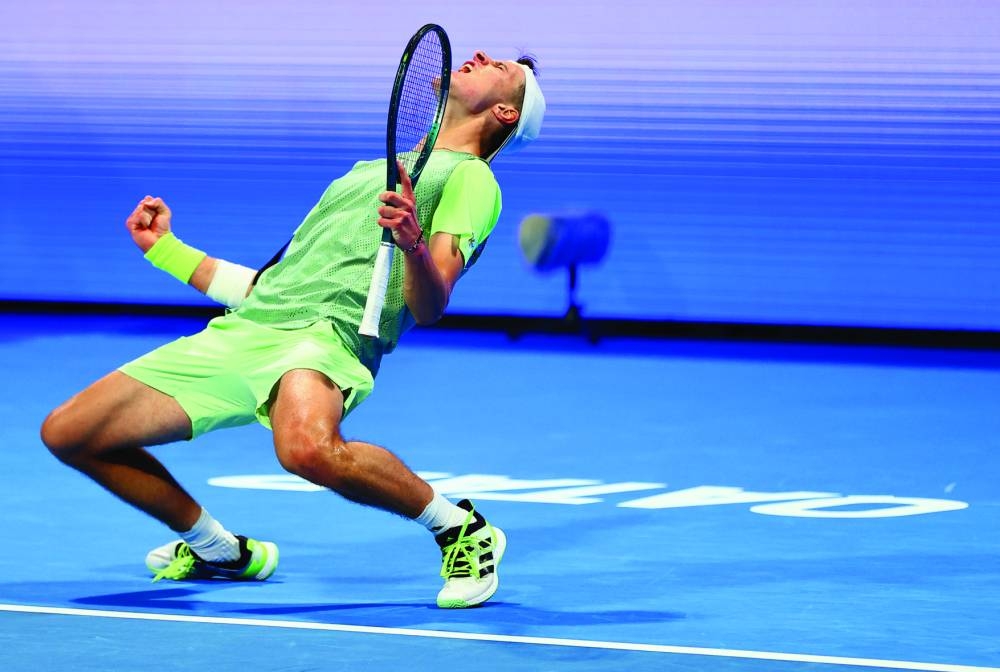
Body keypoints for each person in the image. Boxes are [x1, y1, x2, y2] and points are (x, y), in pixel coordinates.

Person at [40, 49, 546, 609]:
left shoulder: (474, 180)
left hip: (327, 337)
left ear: (504, 112)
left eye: (499, 66)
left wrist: (412, 241)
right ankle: (218, 550)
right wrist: (166, 251)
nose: (478, 55)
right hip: (247, 331)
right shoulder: (368, 172)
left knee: (307, 449)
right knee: (70, 432)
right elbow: (271, 284)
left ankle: (459, 528)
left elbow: (430, 305)